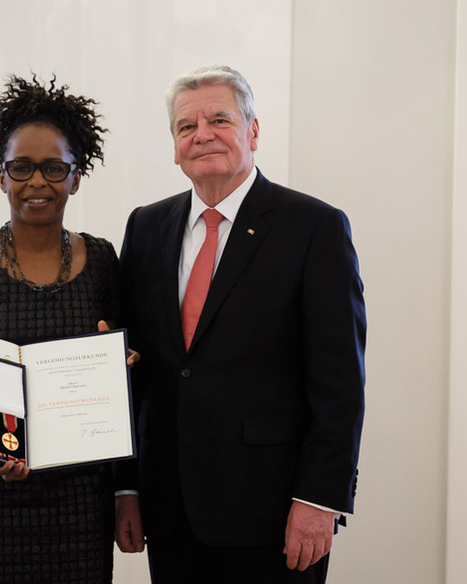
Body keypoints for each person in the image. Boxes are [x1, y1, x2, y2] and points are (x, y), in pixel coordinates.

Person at [113, 65, 366, 583]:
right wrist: (126, 487)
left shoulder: (314, 228)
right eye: (186, 126)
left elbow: (340, 381)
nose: (201, 134)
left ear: (252, 130)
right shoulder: (145, 227)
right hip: (170, 508)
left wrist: (319, 498)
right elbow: (128, 367)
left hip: (273, 512)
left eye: (219, 119)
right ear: (174, 144)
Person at [0, 74, 122, 583]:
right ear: (2, 176)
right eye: (22, 168)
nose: (38, 182)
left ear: (76, 177)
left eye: (54, 168)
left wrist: (122, 364)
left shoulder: (102, 260)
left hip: (79, 501)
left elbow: (122, 358)